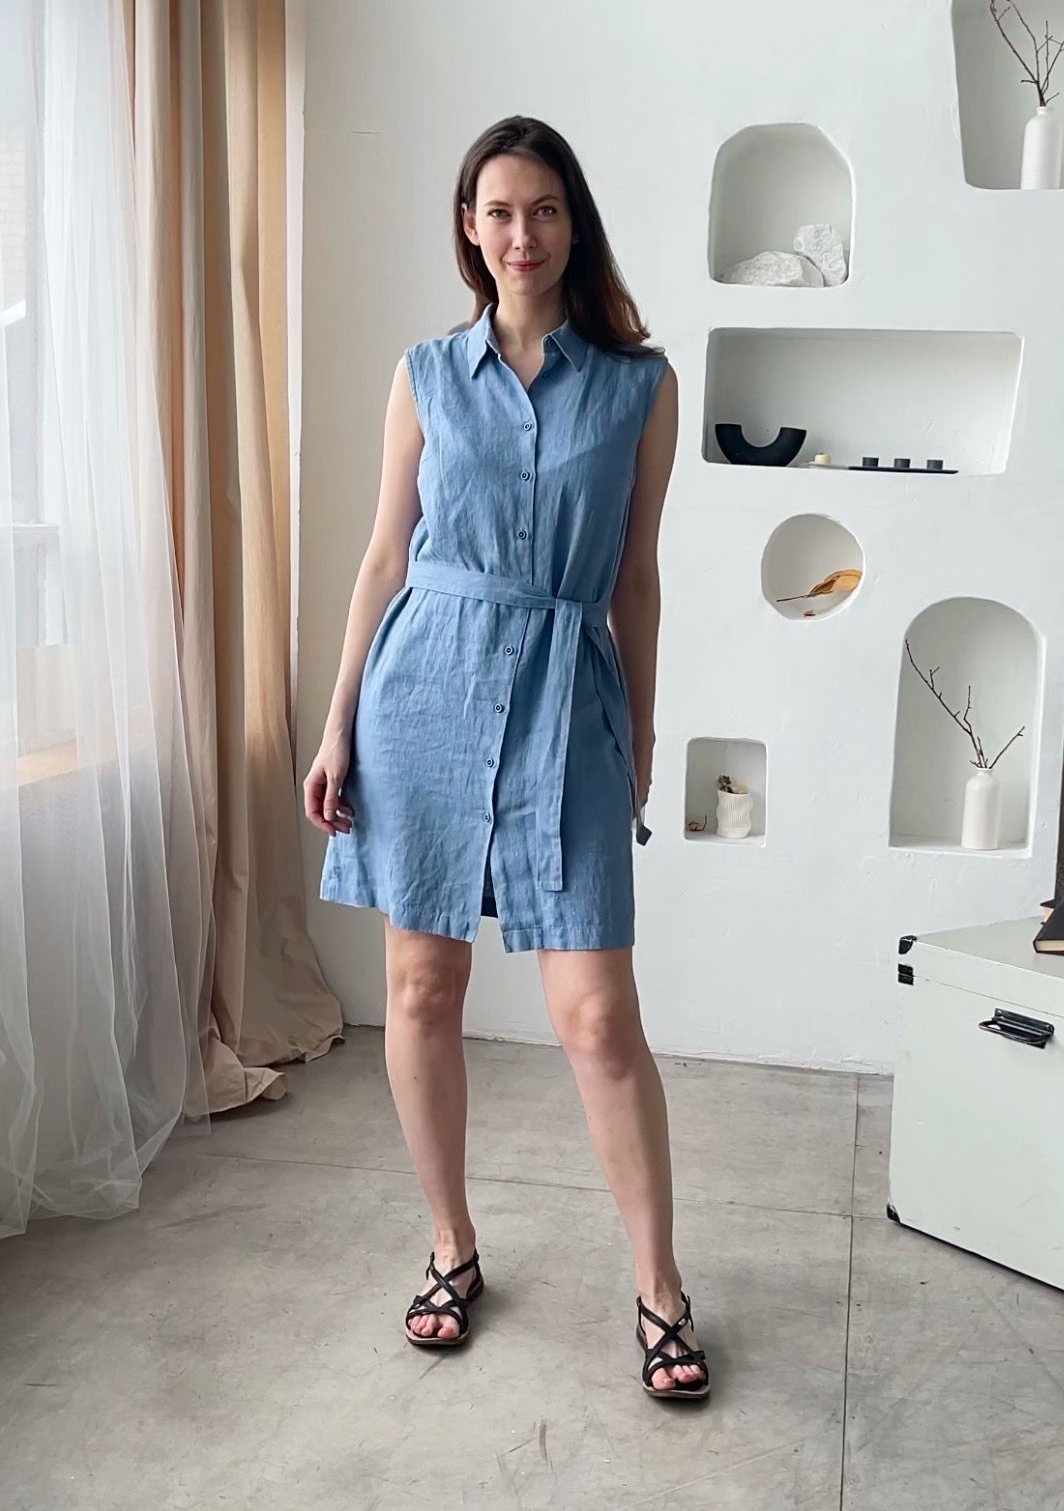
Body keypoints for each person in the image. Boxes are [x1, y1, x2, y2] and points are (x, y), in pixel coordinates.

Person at [304, 116, 709, 1399]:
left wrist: (640, 727)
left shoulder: (639, 386)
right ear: (468, 230)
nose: (519, 234)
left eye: (542, 210)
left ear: (572, 224)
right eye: (497, 212)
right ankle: (451, 1247)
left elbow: (635, 576)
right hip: (418, 694)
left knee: (595, 1018)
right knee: (421, 991)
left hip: (566, 697)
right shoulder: (425, 373)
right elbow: (384, 554)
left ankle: (659, 1288)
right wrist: (336, 722)